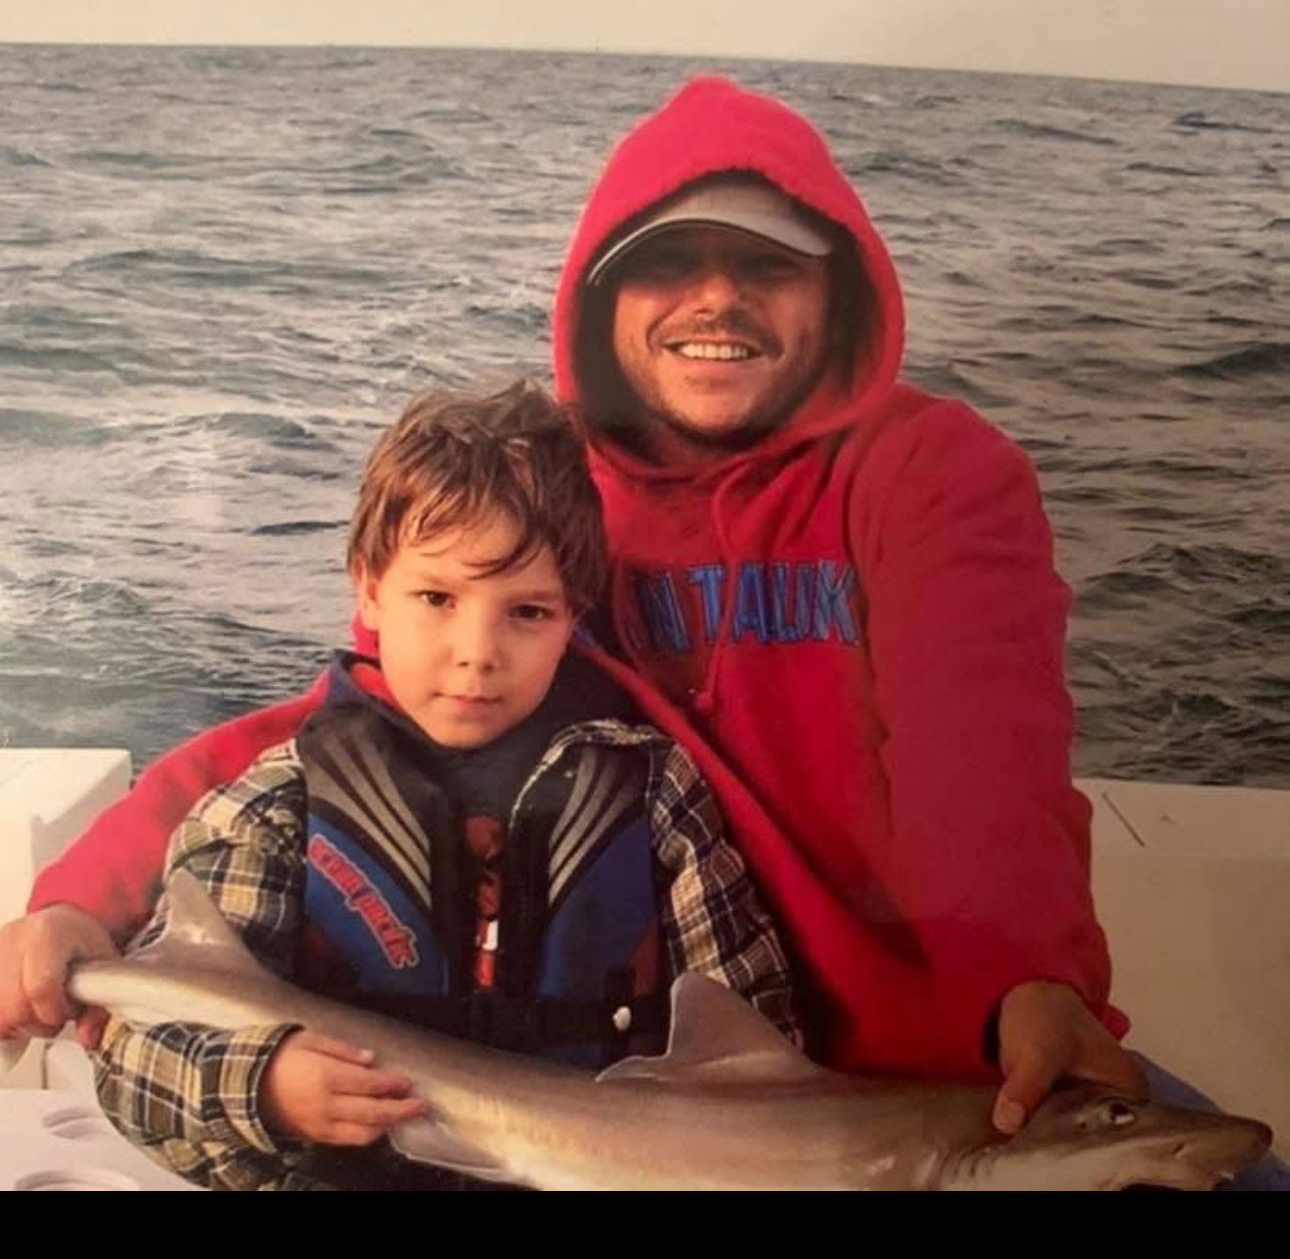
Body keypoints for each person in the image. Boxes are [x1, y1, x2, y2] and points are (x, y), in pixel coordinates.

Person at [3, 74, 1282, 1183]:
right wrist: (81, 900)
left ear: (834, 290)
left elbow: (985, 755)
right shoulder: (556, 497)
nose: (718, 298)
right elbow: (356, 716)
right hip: (656, 1073)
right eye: (670, 264)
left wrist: (1030, 982)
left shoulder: (932, 473)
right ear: (602, 295)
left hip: (941, 1066)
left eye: (768, 264)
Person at [80, 379, 792, 1191]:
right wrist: (262, 1086)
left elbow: (754, 1039)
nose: (477, 652)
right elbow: (134, 1061)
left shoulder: (653, 789)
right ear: (368, 588)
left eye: (527, 613)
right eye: (436, 598)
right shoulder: (276, 807)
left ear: (574, 614)